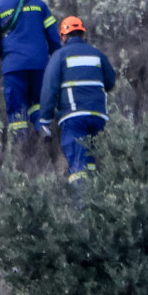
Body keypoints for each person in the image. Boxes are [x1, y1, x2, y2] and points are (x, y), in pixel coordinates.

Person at [0, 0, 60, 140]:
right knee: (37, 103)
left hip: (14, 66)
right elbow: (54, 39)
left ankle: (21, 145)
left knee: (16, 108)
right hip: (40, 65)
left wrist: (3, 54)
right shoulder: (39, 4)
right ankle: (42, 128)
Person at [38, 16, 117, 185]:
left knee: (78, 167)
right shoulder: (98, 55)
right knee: (92, 164)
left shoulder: (59, 56)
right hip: (98, 117)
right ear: (83, 35)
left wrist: (45, 121)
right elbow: (110, 82)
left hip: (73, 118)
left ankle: (82, 206)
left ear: (63, 37)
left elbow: (49, 89)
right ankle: (98, 203)